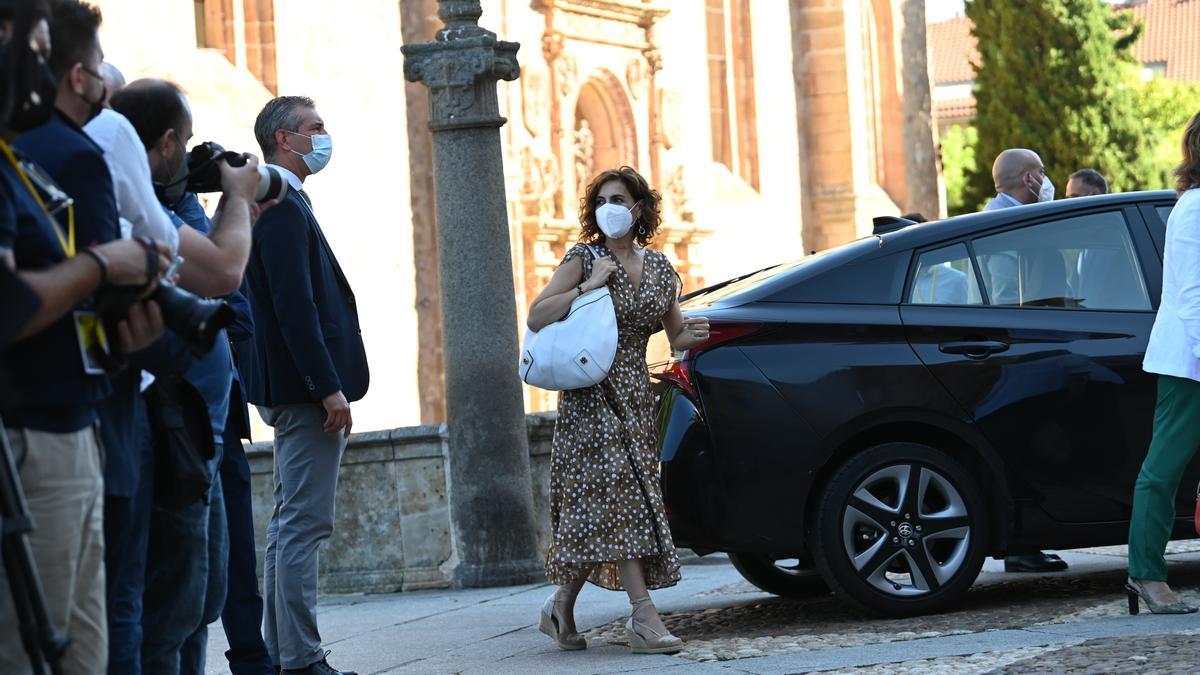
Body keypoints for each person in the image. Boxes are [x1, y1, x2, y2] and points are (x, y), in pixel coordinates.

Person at [0, 2, 169, 671]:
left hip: (73, 427)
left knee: (85, 651)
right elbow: (8, 304)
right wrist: (105, 264)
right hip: (30, 441)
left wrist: (123, 335)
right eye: (32, 51)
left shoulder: (20, 159)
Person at [110, 77, 261, 675]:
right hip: (167, 430)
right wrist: (240, 201)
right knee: (163, 608)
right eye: (188, 141)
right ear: (168, 142)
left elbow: (227, 290)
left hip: (205, 430)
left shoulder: (171, 202)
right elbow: (223, 270)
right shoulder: (126, 201)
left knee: (202, 598)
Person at [526, 166, 710, 655]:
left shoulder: (661, 269)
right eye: (603, 199)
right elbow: (537, 315)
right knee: (623, 496)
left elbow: (675, 337)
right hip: (591, 398)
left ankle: (558, 606)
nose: (611, 206)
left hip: (635, 397)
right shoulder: (584, 259)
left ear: (639, 208)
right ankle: (644, 617)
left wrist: (703, 332)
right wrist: (589, 286)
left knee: (603, 507)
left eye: (620, 198)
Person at [241, 95, 367, 675]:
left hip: (291, 385)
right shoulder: (283, 206)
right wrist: (327, 387)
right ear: (285, 140)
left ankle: (285, 651)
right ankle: (300, 658)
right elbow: (296, 308)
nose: (324, 135)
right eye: (315, 127)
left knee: (289, 521)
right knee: (303, 523)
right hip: (303, 389)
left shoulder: (283, 203)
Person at [980, 149, 1070, 572]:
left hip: (1014, 348)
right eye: (1043, 174)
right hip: (1017, 351)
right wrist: (1049, 208)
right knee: (1025, 447)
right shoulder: (1007, 218)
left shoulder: (1000, 212)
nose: (1047, 179)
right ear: (1030, 179)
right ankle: (1021, 544)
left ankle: (1026, 541)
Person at [1127, 110, 1200, 615]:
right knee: (1163, 469)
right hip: (1189, 359)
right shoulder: (1194, 208)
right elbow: (1193, 298)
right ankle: (1145, 574)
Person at [983, 148, 1055, 211]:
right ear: (1028, 180)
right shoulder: (1009, 220)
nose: (1045, 178)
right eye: (1041, 172)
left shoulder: (994, 213)